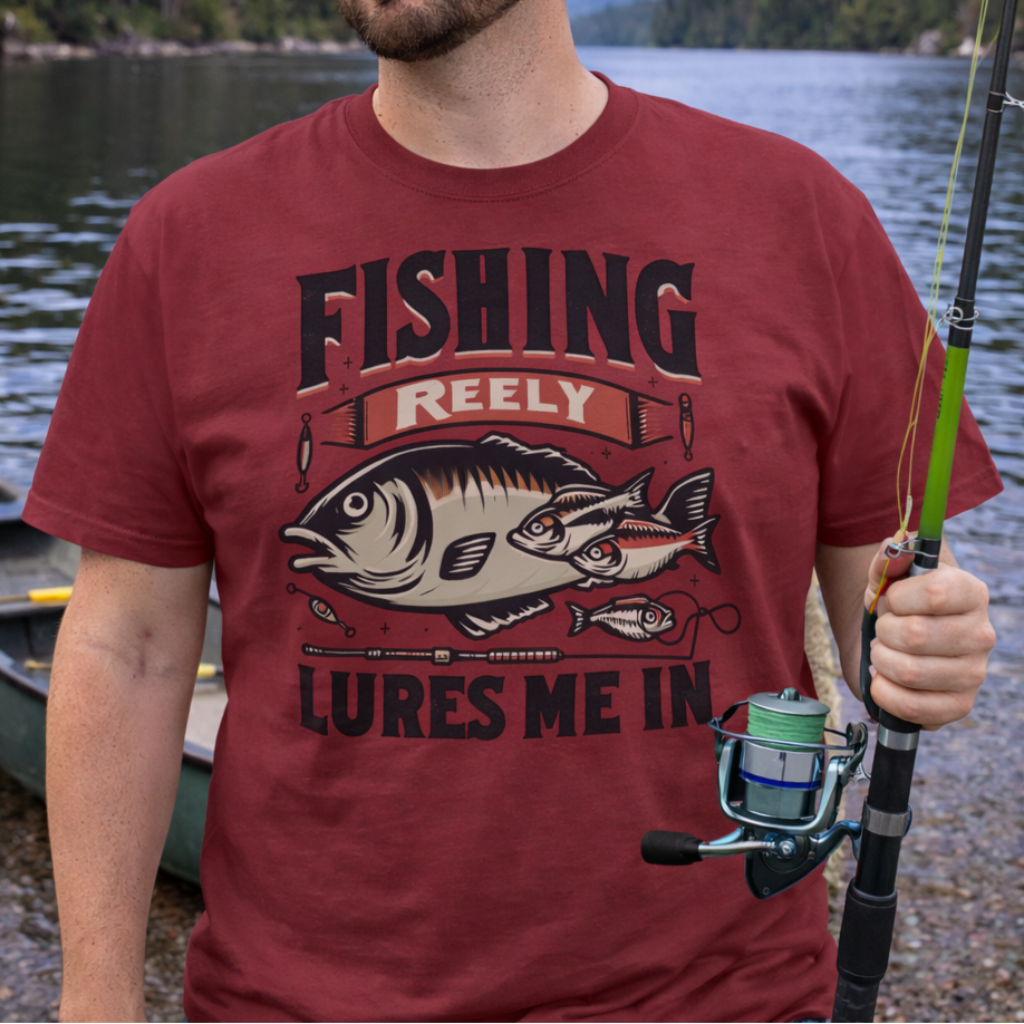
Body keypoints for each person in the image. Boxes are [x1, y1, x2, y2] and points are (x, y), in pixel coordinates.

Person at [28, 0, 1001, 1019]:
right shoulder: (189, 238)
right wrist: (96, 993)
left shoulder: (800, 216)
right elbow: (126, 645)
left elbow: (874, 605)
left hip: (726, 997)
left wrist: (923, 642)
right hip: (298, 998)